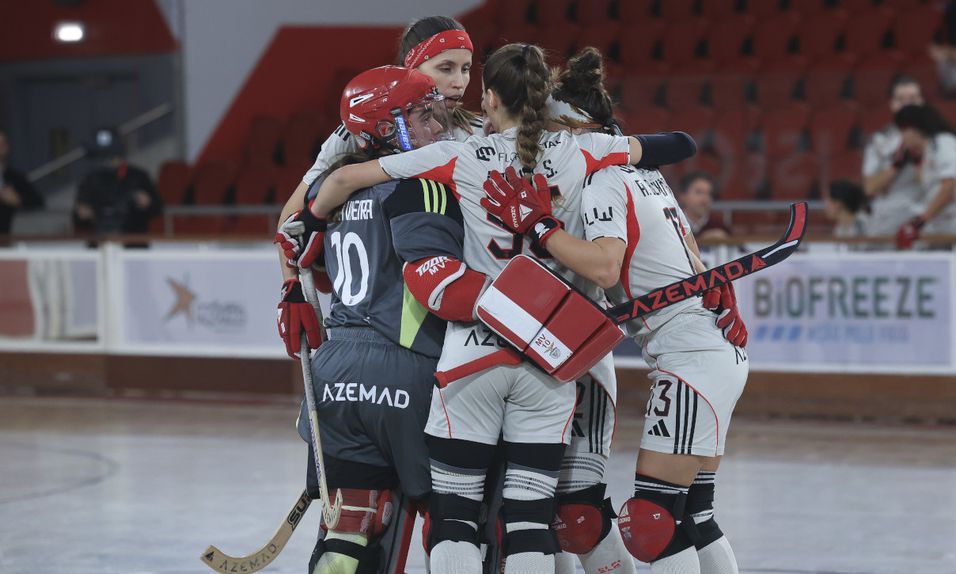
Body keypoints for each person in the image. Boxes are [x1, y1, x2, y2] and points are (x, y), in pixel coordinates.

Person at [288, 43, 696, 574]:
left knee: (452, 520)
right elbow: (679, 144)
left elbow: (342, 180)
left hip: (469, 354)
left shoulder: (454, 156)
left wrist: (308, 230)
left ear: (489, 99)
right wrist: (602, 140)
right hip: (551, 357)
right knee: (530, 520)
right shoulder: (586, 152)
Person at [475, 66, 750, 574]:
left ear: (575, 128)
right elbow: (684, 255)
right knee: (694, 516)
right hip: (707, 349)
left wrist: (537, 223)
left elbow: (603, 267)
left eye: (552, 132)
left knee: (651, 524)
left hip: (688, 355)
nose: (547, 144)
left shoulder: (602, 178)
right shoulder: (644, 172)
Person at [277, 66, 486, 574]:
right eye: (421, 115)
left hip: (334, 371)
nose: (437, 126)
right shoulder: (422, 188)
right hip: (406, 367)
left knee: (351, 523)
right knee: (459, 521)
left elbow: (313, 264)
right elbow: (436, 284)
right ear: (386, 125)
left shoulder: (333, 195)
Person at [275, 15, 482, 359]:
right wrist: (291, 286)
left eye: (466, 68)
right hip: (395, 318)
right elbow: (291, 218)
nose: (459, 82)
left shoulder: (479, 130)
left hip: (461, 290)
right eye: (446, 68)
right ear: (411, 68)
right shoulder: (355, 129)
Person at [861, 76, 926, 239]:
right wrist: (896, 165)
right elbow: (869, 188)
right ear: (892, 104)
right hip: (886, 222)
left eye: (913, 98)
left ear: (921, 102)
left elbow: (943, 187)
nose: (907, 104)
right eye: (901, 99)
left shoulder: (938, 139)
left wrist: (918, 160)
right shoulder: (879, 140)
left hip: (925, 220)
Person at [73, 128, 162, 235]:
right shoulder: (91, 179)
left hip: (133, 240)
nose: (108, 161)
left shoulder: (138, 177)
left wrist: (148, 202)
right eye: (103, 156)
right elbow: (78, 218)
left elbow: (158, 208)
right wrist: (83, 213)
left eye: (111, 156)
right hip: (100, 240)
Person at [894, 103, 956, 249]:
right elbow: (930, 190)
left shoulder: (942, 142)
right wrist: (916, 162)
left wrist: (919, 222)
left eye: (903, 131)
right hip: (942, 228)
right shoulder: (926, 152)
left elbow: (949, 187)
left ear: (915, 129)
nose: (901, 138)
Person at [0, 129, 44, 235]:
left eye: (3, 143)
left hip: (5, 240)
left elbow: (38, 201)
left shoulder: (16, 177)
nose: (0, 147)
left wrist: (18, 200)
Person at [676, 171, 730, 241]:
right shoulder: (674, 225)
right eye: (699, 192)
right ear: (682, 196)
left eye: (708, 194)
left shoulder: (719, 226)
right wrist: (701, 239)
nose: (705, 199)